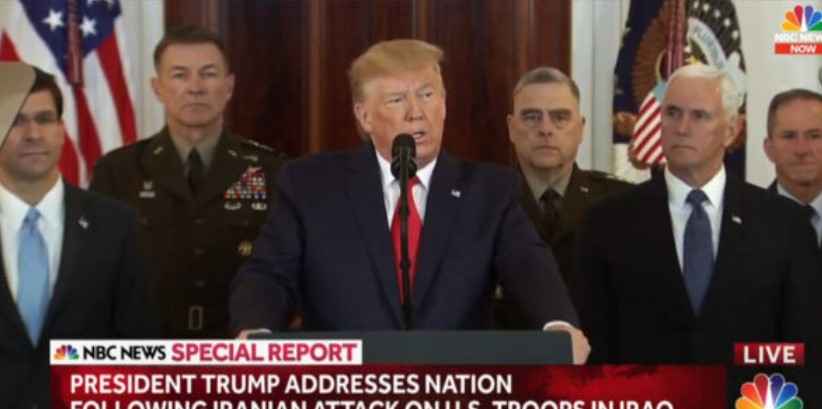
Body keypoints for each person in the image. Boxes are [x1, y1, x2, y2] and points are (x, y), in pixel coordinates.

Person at [230, 39, 589, 363]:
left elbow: (528, 265)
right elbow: (268, 274)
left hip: (455, 390)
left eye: (427, 95)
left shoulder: (489, 191)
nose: (416, 112)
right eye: (397, 100)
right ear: (364, 116)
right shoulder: (312, 186)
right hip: (344, 388)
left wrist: (558, 325)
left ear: (444, 105)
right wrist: (256, 331)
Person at [575, 64, 821, 365]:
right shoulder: (607, 222)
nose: (682, 128)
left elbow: (801, 347)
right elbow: (596, 343)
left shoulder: (784, 224)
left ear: (731, 130)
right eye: (672, 113)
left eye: (699, 116)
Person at [90, 26, 285, 338]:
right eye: (180, 75)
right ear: (157, 88)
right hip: (144, 349)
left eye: (208, 74)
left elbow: (285, 269)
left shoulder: (273, 170)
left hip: (238, 348)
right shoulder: (117, 171)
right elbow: (97, 273)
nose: (195, 88)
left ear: (229, 86)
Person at [0, 63, 156, 409]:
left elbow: (139, 347)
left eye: (44, 119)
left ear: (61, 130)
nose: (33, 134)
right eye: (16, 120)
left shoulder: (117, 225)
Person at [497, 67, 631, 328]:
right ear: (511, 128)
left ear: (581, 129)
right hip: (511, 352)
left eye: (560, 117)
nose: (545, 129)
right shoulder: (484, 204)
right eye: (532, 117)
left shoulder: (619, 204)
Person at [763, 89, 822, 246]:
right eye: (789, 136)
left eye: (815, 136)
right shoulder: (741, 224)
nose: (801, 150)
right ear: (769, 149)